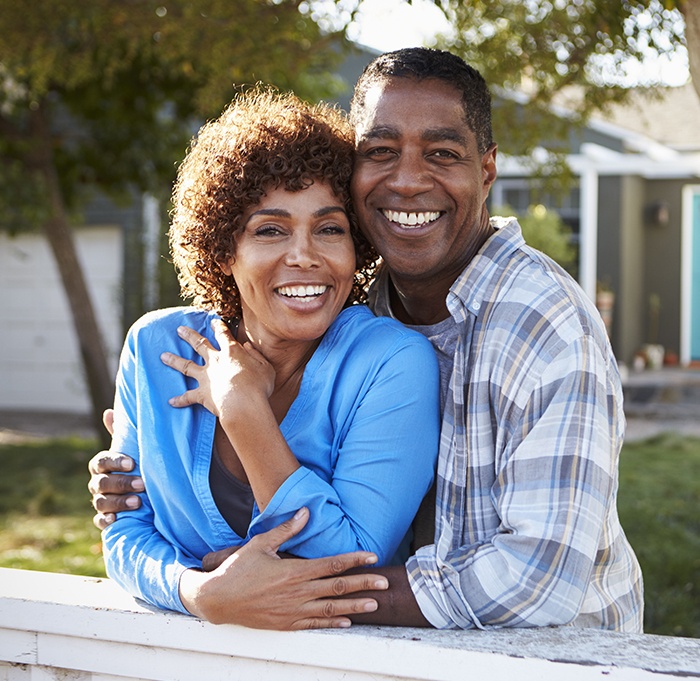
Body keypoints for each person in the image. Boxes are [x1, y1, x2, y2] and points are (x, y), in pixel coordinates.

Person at [90, 47, 644, 632]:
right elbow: (129, 527)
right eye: (379, 152)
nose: (406, 180)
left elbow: (540, 580)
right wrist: (200, 590)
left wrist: (280, 591)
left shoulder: (545, 327)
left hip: (561, 656)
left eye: (442, 153)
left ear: (486, 170)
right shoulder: (369, 300)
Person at [98, 85, 441, 625]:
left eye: (330, 228)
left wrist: (242, 409)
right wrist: (199, 591)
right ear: (222, 250)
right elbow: (123, 531)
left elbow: (352, 562)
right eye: (270, 230)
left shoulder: (391, 363)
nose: (304, 256)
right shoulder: (155, 349)